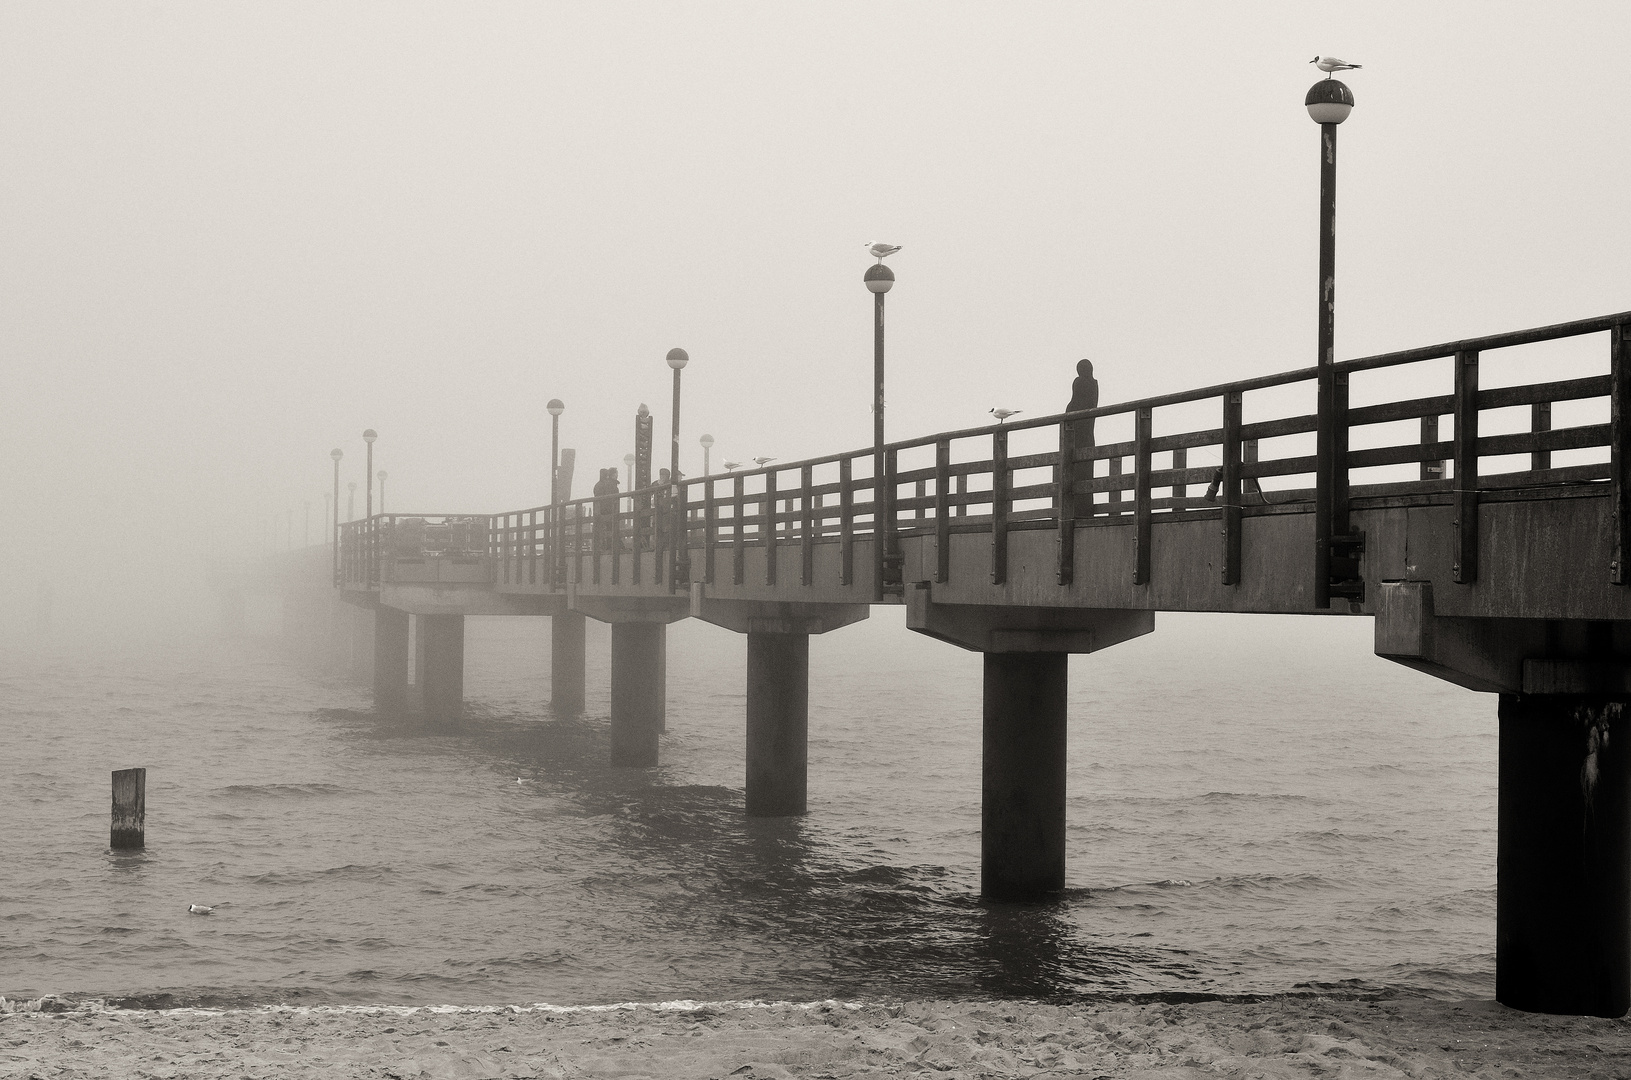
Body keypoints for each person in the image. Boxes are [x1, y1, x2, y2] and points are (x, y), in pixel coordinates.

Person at [1065, 359, 1098, 516]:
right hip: (1088, 434)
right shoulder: (1094, 384)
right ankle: (1086, 508)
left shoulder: (1079, 382)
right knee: (1086, 470)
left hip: (1076, 434)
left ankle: (1076, 510)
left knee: (1075, 470)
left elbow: (1074, 404)